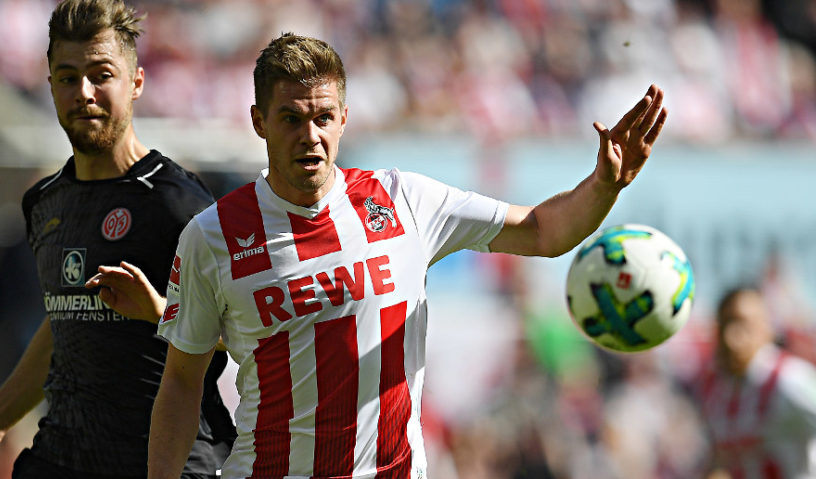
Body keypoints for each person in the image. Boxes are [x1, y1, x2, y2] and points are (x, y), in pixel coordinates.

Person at [89, 33, 667, 478]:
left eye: (322, 118)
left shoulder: (404, 199)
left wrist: (604, 185)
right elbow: (182, 383)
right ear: (259, 122)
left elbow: (543, 232)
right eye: (290, 119)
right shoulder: (212, 236)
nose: (309, 134)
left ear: (343, 120)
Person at [0, 1, 234, 478]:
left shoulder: (179, 204)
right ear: (50, 87)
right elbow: (65, 323)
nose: (83, 92)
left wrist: (162, 313)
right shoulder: (45, 203)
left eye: (101, 75)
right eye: (67, 77)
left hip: (162, 464)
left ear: (137, 82)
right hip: (61, 457)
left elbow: (247, 332)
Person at [695, 287, 816, 478]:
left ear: (767, 328)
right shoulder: (712, 390)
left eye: (743, 324)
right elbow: (719, 458)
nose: (731, 337)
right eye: (725, 324)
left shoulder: (790, 379)